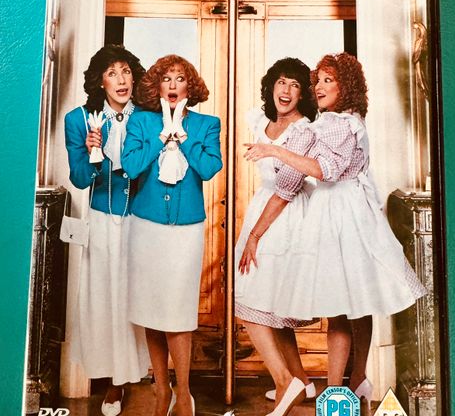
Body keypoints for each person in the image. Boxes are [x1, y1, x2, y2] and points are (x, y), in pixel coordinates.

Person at [244, 52, 426, 412]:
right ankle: (354, 382)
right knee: (351, 302)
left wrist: (274, 151)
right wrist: (257, 232)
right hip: (337, 210)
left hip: (345, 212)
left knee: (346, 304)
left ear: (348, 86)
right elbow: (293, 181)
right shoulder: (327, 123)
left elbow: (324, 170)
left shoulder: (344, 124)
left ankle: (339, 391)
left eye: (329, 80)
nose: (320, 86)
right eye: (319, 80)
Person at [121, 54, 223, 416]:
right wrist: (161, 136)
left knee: (178, 312)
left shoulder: (207, 124)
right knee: (152, 309)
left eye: (180, 78)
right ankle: (161, 390)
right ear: (157, 86)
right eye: (166, 79)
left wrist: (184, 137)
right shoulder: (141, 121)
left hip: (187, 230)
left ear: (189, 86)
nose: (173, 85)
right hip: (146, 228)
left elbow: (209, 168)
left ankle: (183, 394)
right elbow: (131, 166)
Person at [64, 44, 150, 416]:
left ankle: (138, 378)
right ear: (100, 81)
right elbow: (80, 179)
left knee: (137, 298)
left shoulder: (148, 117)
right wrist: (91, 153)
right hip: (101, 220)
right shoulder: (78, 119)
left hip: (142, 221)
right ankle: (113, 381)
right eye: (112, 72)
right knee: (104, 298)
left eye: (126, 71)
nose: (121, 79)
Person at [235, 58, 318, 416]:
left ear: (303, 94)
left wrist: (255, 235)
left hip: (285, 216)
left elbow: (287, 188)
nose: (286, 90)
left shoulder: (304, 130)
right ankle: (301, 381)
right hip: (262, 207)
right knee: (272, 304)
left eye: (295, 85)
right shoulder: (260, 120)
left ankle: (284, 381)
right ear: (271, 86)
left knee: (251, 298)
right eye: (281, 82)